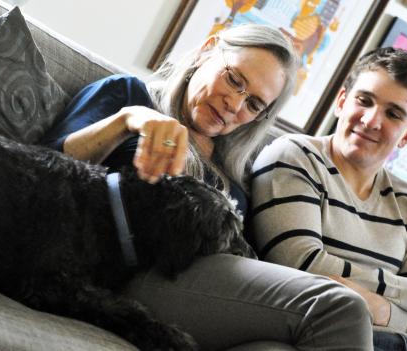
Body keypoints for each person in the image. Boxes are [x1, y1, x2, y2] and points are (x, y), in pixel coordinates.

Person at [42, 24, 374, 350]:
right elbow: (46, 168)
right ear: (207, 50)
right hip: (134, 271)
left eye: (254, 104)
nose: (235, 105)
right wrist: (128, 120)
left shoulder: (235, 182)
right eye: (234, 80)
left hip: (202, 290)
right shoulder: (130, 95)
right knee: (342, 307)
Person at [250, 47, 407, 351]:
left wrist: (382, 307)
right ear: (342, 101)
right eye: (364, 101)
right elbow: (299, 263)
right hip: (304, 330)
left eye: (393, 114)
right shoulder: (296, 155)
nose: (371, 120)